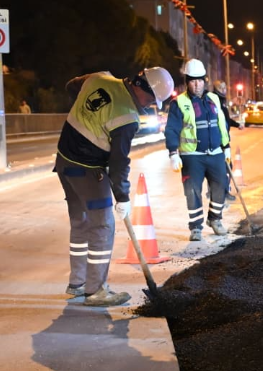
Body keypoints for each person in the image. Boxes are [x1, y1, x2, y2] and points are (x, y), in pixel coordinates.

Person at [55, 66, 174, 307]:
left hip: (64, 162)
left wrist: (88, 111)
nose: (150, 104)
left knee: (80, 222)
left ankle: (77, 283)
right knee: (103, 225)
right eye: (152, 99)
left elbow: (71, 86)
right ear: (142, 88)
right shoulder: (127, 117)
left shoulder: (100, 78)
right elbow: (119, 163)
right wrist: (123, 198)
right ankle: (96, 290)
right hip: (88, 170)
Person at [164, 59, 232, 241]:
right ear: (187, 82)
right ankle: (196, 227)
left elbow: (222, 125)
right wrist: (172, 153)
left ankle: (215, 219)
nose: (197, 84)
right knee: (192, 191)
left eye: (200, 80)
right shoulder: (179, 103)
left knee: (222, 186)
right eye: (193, 80)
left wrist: (226, 147)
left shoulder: (214, 99)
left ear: (205, 80)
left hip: (215, 153)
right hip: (192, 155)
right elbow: (171, 129)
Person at [212, 80, 243, 202]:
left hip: (220, 140)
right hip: (221, 141)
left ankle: (218, 191)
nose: (225, 90)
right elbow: (222, 121)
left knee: (222, 168)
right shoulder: (217, 102)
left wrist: (236, 124)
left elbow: (226, 120)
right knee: (226, 167)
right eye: (223, 88)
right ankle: (223, 192)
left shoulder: (218, 101)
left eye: (225, 87)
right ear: (218, 88)